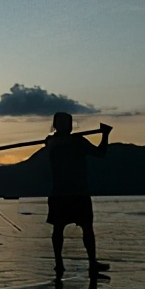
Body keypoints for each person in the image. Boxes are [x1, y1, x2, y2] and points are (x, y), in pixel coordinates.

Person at [45, 112, 112, 276]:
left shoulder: (58, 142)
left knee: (84, 228)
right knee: (61, 228)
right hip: (67, 193)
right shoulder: (69, 141)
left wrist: (104, 135)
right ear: (56, 125)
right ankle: (61, 263)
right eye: (63, 123)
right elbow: (100, 153)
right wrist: (105, 134)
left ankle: (89, 262)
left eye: (68, 123)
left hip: (73, 192)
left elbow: (100, 153)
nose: (66, 126)